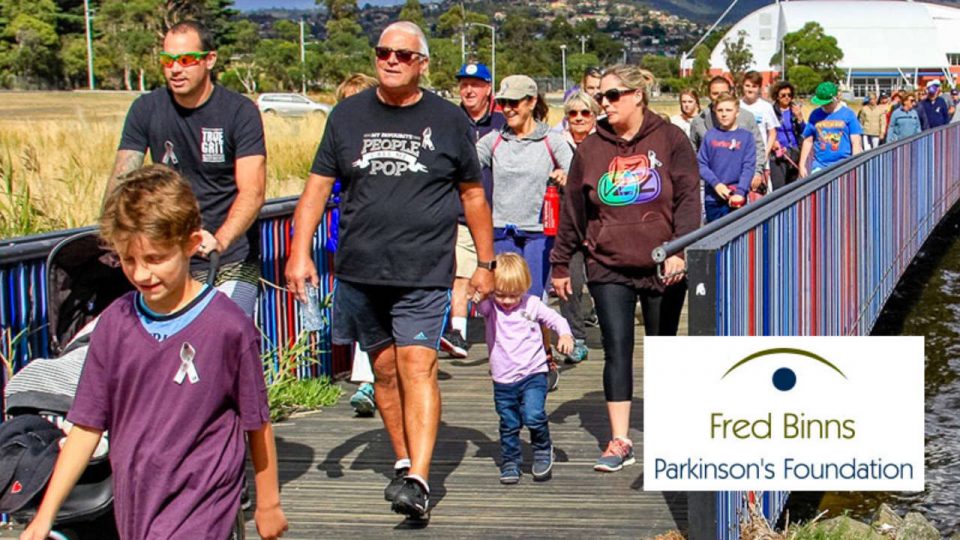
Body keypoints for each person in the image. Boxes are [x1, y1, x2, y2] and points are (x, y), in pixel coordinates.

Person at [284, 21, 495, 523]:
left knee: (416, 366)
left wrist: (485, 264)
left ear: (423, 63)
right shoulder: (346, 116)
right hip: (360, 270)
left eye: (403, 54)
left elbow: (472, 195)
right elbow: (316, 189)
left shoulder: (448, 120)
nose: (391, 60)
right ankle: (404, 460)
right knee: (383, 370)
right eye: (383, 52)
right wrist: (299, 252)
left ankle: (419, 479)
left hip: (424, 269)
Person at [21, 166, 287, 540]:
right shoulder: (114, 325)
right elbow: (87, 425)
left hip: (203, 505)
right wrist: (45, 515)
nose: (142, 274)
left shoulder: (228, 327)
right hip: (137, 504)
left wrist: (268, 503)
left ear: (191, 244)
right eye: (129, 260)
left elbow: (256, 421)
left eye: (156, 258)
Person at [550, 65, 699, 473]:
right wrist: (560, 263)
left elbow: (688, 200)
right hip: (607, 263)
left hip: (662, 264)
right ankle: (620, 440)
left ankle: (670, 429)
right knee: (616, 349)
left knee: (663, 348)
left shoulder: (671, 139)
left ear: (637, 96)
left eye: (613, 95)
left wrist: (679, 249)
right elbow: (573, 212)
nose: (605, 103)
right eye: (601, 96)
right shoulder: (591, 148)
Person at [106, 21, 266, 318]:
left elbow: (253, 191)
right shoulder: (146, 109)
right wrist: (114, 235)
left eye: (186, 60)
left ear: (210, 60)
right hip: (169, 257)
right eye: (168, 61)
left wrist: (220, 239)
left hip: (228, 257)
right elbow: (122, 180)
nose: (175, 69)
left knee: (223, 331)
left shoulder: (239, 112)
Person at [477, 75, 573, 391]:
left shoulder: (551, 141)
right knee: (501, 299)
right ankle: (506, 363)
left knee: (532, 300)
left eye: (514, 102)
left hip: (538, 233)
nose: (507, 109)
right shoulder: (494, 141)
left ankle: (543, 361)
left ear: (531, 102)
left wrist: (563, 176)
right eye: (503, 103)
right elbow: (463, 164)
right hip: (502, 232)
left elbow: (575, 172)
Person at [478, 253, 573, 485]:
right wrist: (476, 288)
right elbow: (473, 296)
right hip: (503, 379)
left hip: (533, 373)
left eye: (513, 295)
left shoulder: (531, 304)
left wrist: (565, 335)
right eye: (501, 294)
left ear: (524, 288)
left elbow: (557, 320)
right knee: (509, 423)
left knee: (533, 415)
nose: (507, 301)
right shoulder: (491, 307)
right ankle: (511, 460)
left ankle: (542, 449)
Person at [441, 62, 506, 359]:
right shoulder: (449, 120)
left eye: (476, 85)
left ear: (488, 88)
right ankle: (458, 332)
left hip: (501, 214)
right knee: (462, 275)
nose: (469, 90)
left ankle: (507, 334)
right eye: (464, 84)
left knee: (503, 279)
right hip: (460, 213)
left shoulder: (503, 121)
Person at [332, 73, 381, 417]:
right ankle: (369, 381)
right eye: (345, 102)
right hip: (349, 243)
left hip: (386, 242)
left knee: (377, 315)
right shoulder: (338, 142)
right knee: (364, 315)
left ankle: (372, 381)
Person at [556, 91, 602, 364]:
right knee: (570, 283)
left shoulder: (602, 143)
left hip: (598, 223)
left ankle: (611, 329)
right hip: (568, 225)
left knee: (602, 283)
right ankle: (576, 337)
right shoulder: (557, 144)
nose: (579, 118)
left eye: (585, 113)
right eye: (573, 113)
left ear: (594, 116)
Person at [690, 76, 766, 193]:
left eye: (724, 92)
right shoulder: (699, 121)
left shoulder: (746, 117)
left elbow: (758, 146)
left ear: (731, 92)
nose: (719, 97)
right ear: (709, 95)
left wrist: (757, 172)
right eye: (715, 93)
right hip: (709, 186)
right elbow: (693, 152)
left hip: (741, 184)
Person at [698, 93, 756, 223]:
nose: (724, 114)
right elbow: (701, 164)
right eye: (720, 110)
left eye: (728, 110)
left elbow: (748, 167)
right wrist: (716, 184)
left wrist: (740, 192)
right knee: (714, 232)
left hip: (736, 196)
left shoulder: (746, 137)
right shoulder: (710, 135)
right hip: (713, 197)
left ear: (737, 112)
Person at [799, 81, 864, 178]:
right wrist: (802, 164)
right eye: (822, 104)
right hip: (820, 164)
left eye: (828, 103)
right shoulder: (815, 114)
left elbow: (856, 142)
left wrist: (855, 164)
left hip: (843, 164)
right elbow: (808, 140)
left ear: (836, 98)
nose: (825, 106)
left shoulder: (848, 115)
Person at [738, 71, 780, 193]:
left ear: (759, 88)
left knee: (761, 192)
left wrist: (765, 153)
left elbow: (772, 132)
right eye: (747, 85)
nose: (750, 89)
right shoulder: (737, 105)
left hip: (760, 157)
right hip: (740, 157)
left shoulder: (766, 107)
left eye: (754, 86)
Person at [769, 81, 805, 189]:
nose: (787, 98)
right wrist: (773, 143)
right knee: (779, 187)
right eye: (783, 95)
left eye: (789, 95)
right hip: (778, 154)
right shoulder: (771, 111)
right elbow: (768, 131)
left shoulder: (794, 110)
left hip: (794, 152)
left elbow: (804, 131)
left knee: (793, 188)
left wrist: (799, 118)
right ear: (777, 96)